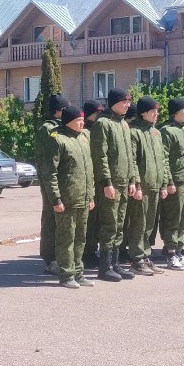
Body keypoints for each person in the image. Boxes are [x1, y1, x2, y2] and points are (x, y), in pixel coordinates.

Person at [91, 88, 139, 281]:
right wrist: (106, 182)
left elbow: (131, 156)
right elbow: (100, 156)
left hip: (124, 182)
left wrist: (132, 180)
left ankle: (115, 263)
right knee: (109, 225)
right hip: (111, 184)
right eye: (124, 101)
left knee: (119, 225)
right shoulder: (103, 123)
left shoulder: (123, 124)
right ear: (114, 103)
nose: (128, 105)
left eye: (129, 101)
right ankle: (105, 267)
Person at [48, 105, 94, 288]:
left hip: (83, 197)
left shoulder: (83, 138)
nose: (82, 123)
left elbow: (89, 170)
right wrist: (56, 199)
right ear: (69, 121)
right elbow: (51, 173)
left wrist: (91, 196)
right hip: (67, 199)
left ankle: (78, 272)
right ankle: (66, 275)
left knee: (81, 237)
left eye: (82, 120)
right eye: (78, 120)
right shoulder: (58, 140)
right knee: (66, 237)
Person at [124, 96, 168, 276]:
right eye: (153, 111)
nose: (156, 114)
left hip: (155, 185)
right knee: (138, 224)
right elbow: (132, 161)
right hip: (142, 187)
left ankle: (146, 256)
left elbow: (163, 160)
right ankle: (136, 259)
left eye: (157, 111)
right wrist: (137, 184)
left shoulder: (156, 133)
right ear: (143, 113)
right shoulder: (134, 132)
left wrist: (164, 183)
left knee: (149, 225)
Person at [158, 97, 184, 269]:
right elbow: (164, 158)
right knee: (172, 218)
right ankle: (170, 253)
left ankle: (179, 251)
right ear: (176, 112)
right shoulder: (167, 131)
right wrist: (169, 181)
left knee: (183, 218)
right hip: (175, 182)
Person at [36, 94, 69, 275]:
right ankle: (50, 259)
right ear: (58, 110)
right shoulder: (48, 128)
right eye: (65, 109)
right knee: (50, 218)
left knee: (63, 219)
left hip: (64, 179)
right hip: (49, 178)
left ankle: (62, 256)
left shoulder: (63, 126)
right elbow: (49, 157)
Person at [80, 100, 106, 269]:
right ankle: (86, 252)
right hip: (88, 182)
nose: (99, 116)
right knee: (89, 220)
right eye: (97, 113)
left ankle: (92, 249)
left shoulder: (97, 130)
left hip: (98, 180)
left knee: (97, 220)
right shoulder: (84, 132)